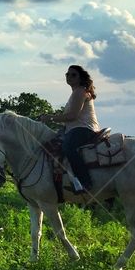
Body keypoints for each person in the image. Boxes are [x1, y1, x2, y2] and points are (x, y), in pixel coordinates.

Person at [39, 65, 99, 193]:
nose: (69, 77)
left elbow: (73, 116)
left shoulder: (80, 91)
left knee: (68, 147)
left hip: (84, 129)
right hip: (75, 129)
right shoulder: (75, 93)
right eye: (67, 74)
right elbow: (69, 119)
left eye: (73, 75)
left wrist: (50, 118)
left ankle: (85, 182)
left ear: (80, 77)